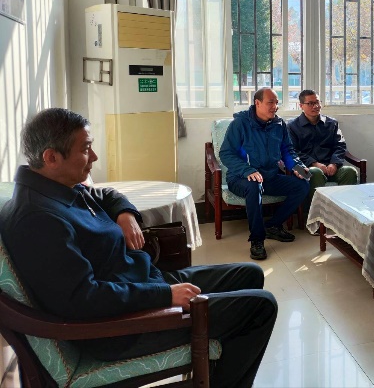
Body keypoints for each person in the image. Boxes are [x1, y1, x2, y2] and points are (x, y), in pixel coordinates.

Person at [0, 108, 277, 388]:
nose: (94, 157)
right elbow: (83, 299)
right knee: (261, 307)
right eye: (85, 149)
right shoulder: (38, 220)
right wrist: (165, 296)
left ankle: (220, 367)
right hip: (122, 327)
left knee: (250, 274)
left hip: (140, 284)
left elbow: (105, 194)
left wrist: (125, 214)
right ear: (51, 157)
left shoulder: (54, 187)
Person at [220, 87, 310, 260]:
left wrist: (298, 167)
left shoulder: (279, 124)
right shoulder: (240, 124)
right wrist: (247, 170)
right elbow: (226, 153)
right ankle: (257, 240)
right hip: (240, 178)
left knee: (302, 184)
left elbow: (287, 151)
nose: (275, 106)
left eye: (276, 103)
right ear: (257, 103)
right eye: (270, 102)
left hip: (269, 177)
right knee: (254, 186)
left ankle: (273, 226)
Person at [289, 89, 358, 212]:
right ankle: (315, 215)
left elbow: (340, 146)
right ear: (301, 106)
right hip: (303, 168)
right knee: (314, 172)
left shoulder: (331, 123)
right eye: (310, 103)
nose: (315, 106)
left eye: (317, 102)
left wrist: (334, 163)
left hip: (329, 167)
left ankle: (343, 214)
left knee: (350, 171)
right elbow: (292, 151)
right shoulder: (292, 126)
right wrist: (313, 163)